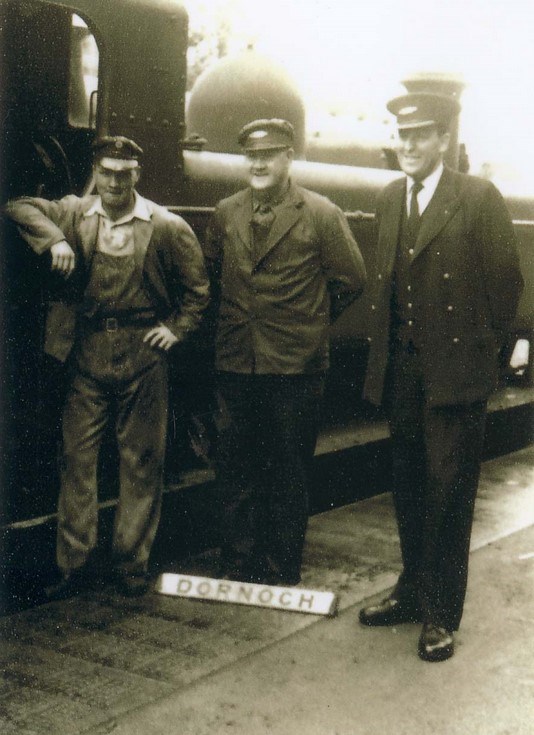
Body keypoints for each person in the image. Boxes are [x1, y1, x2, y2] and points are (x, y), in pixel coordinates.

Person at [6, 136, 209, 597]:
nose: (115, 182)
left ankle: (130, 566)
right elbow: (17, 205)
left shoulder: (166, 226)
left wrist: (175, 329)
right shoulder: (75, 212)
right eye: (107, 171)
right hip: (86, 352)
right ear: (96, 172)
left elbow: (198, 293)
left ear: (137, 174)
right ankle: (72, 566)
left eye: (125, 173)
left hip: (143, 354)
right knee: (77, 461)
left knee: (141, 462)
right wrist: (54, 240)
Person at [359, 93, 524, 660]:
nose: (408, 145)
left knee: (449, 494)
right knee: (406, 484)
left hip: (455, 373)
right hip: (404, 371)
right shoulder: (389, 198)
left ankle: (439, 614)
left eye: (420, 135)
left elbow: (506, 286)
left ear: (444, 140)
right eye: (402, 135)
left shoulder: (477, 198)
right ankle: (410, 589)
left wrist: (492, 357)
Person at [205, 119, 366, 586]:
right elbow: (213, 275)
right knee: (234, 467)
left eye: (269, 154)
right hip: (236, 361)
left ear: (288, 157)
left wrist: (308, 323)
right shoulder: (226, 212)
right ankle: (236, 564)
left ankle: (279, 567)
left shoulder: (319, 213)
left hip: (295, 367)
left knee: (287, 471)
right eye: (251, 155)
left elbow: (351, 280)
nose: (258, 163)